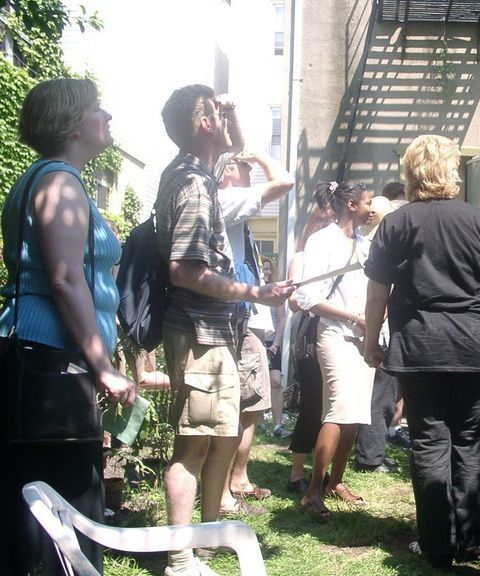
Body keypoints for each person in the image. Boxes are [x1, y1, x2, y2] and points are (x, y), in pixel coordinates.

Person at [155, 84, 293, 576]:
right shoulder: (193, 184)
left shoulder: (198, 174)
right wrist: (254, 293)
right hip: (200, 334)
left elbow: (240, 151)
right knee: (194, 444)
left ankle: (206, 548)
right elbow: (184, 269)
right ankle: (180, 558)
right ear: (206, 124)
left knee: (220, 437)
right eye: (218, 112)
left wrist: (232, 117)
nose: (225, 119)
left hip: (214, 332)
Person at [0, 77, 136, 575]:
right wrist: (103, 365)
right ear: (72, 123)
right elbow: (63, 277)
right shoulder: (59, 182)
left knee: (36, 509)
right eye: (97, 108)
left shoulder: (43, 177)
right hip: (51, 367)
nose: (108, 117)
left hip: (40, 361)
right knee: (62, 511)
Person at [363, 134, 480, 570]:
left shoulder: (396, 223)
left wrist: (372, 341)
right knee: (471, 442)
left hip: (421, 346)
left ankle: (436, 545)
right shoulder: (478, 220)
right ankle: (469, 540)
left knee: (429, 442)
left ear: (410, 174)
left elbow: (376, 293)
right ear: (451, 172)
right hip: (475, 347)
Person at [216, 150, 294, 514]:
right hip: (230, 318)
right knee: (237, 405)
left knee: (252, 403)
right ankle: (226, 489)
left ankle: (238, 479)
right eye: (244, 166)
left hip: (243, 318)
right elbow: (285, 181)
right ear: (228, 171)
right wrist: (262, 156)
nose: (254, 171)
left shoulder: (232, 202)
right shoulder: (226, 199)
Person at [295, 180, 375, 517]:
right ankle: (313, 491)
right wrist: (354, 317)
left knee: (354, 414)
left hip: (362, 339)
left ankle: (335, 482)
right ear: (352, 205)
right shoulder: (321, 241)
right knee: (338, 411)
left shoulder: (364, 244)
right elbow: (306, 297)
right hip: (333, 335)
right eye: (368, 202)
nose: (372, 208)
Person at [286, 188, 335, 493]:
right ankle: (295, 475)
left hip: (334, 332)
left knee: (329, 408)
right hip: (310, 336)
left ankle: (321, 471)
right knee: (311, 406)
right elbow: (292, 301)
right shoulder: (303, 255)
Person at [355, 195, 402, 473]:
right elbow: (378, 296)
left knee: (380, 394)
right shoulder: (377, 249)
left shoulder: (364, 246)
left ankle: (374, 453)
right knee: (380, 396)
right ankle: (370, 458)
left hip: (370, 327)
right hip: (377, 330)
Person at [262, 257, 291, 439]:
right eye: (262, 268)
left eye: (267, 268)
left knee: (275, 382)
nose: (265, 272)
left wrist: (276, 344)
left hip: (272, 343)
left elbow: (282, 319)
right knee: (256, 383)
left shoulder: (275, 292)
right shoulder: (252, 289)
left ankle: (278, 425)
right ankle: (259, 423)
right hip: (256, 341)